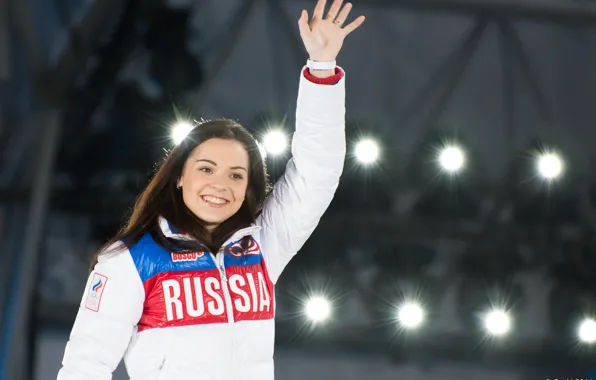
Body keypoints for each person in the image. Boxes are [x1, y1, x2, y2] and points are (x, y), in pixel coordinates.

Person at [57, 0, 364, 379]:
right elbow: (85, 365)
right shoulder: (132, 260)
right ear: (180, 176)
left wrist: (321, 67)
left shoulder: (262, 245)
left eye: (237, 175)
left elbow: (317, 173)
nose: (221, 184)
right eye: (207, 168)